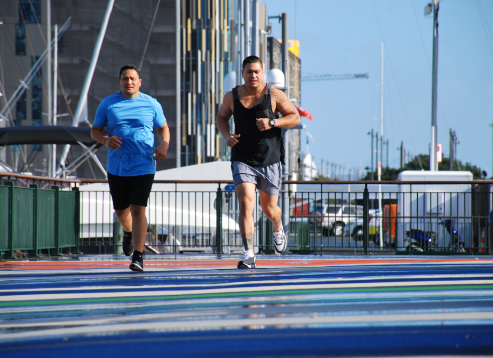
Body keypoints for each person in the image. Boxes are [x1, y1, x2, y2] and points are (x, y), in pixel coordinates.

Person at [216, 56, 300, 269]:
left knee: (269, 209)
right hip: (242, 159)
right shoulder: (231, 96)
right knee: (245, 203)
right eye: (249, 72)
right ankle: (249, 254)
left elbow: (295, 117)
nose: (253, 76)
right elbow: (221, 118)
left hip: (270, 160)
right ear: (242, 74)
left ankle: (278, 226)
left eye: (256, 72)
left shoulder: (273, 94)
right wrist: (227, 136)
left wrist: (273, 122)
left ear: (262, 73)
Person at [91, 64, 170, 271]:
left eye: (133, 78)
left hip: (144, 165)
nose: (129, 82)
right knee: (120, 211)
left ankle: (138, 256)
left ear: (139, 82)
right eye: (125, 78)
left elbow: (163, 128)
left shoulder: (151, 104)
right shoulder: (108, 104)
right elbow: (95, 131)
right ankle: (128, 232)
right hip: (117, 166)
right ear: (120, 82)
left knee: (138, 209)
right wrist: (106, 140)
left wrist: (164, 144)